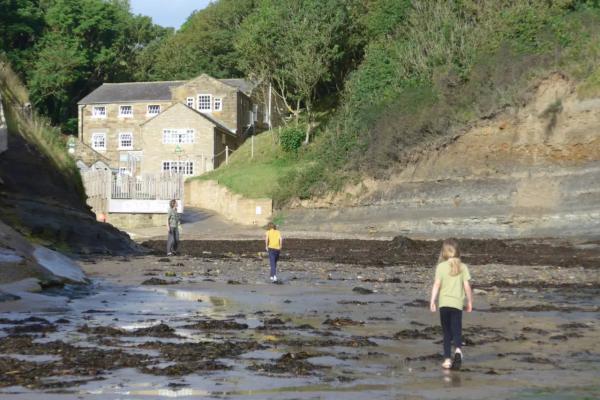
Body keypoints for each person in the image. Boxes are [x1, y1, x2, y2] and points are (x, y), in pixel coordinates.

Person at [429, 239, 473, 370]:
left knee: (447, 332)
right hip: (457, 304)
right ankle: (458, 350)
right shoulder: (463, 267)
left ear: (444, 252)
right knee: (457, 329)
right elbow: (467, 287)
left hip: (444, 304)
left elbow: (436, 285)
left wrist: (432, 301)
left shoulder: (441, 267)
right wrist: (470, 301)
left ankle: (447, 359)